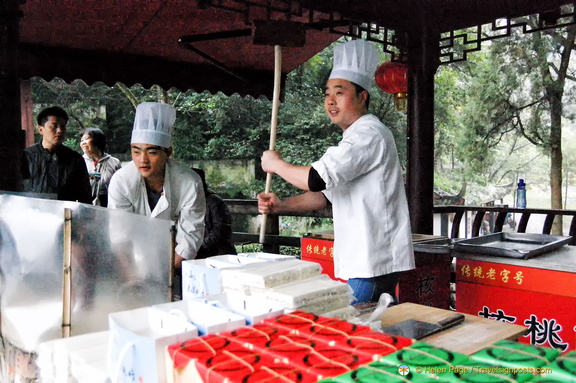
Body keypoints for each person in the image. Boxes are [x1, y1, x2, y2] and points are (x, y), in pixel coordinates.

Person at [257, 39, 415, 305]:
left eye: (339, 92)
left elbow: (315, 179)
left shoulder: (368, 134)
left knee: (357, 330)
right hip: (364, 262)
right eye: (327, 93)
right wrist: (281, 205)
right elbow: (323, 196)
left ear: (362, 96)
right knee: (367, 333)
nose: (330, 100)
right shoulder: (352, 140)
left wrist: (276, 165)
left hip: (373, 263)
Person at [108, 102, 206, 268]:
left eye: (152, 152)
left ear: (168, 152)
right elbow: (120, 235)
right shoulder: (121, 181)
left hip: (174, 258)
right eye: (136, 151)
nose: (142, 159)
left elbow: (190, 236)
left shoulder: (189, 182)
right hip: (131, 258)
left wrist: (166, 275)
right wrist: (132, 275)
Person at [21, 106, 92, 203]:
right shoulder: (26, 156)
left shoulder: (74, 159)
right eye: (54, 126)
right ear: (41, 129)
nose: (59, 131)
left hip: (64, 215)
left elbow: (85, 197)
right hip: (32, 213)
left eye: (63, 127)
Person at [193, 168, 237, 259]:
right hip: (201, 254)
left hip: (220, 255)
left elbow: (221, 229)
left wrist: (202, 246)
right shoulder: (190, 203)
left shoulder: (214, 201)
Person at [80, 127, 122, 207]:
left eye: (86, 139)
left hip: (110, 202)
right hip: (86, 203)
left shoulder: (114, 163)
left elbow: (121, 185)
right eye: (82, 140)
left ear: (98, 141)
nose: (83, 143)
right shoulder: (80, 161)